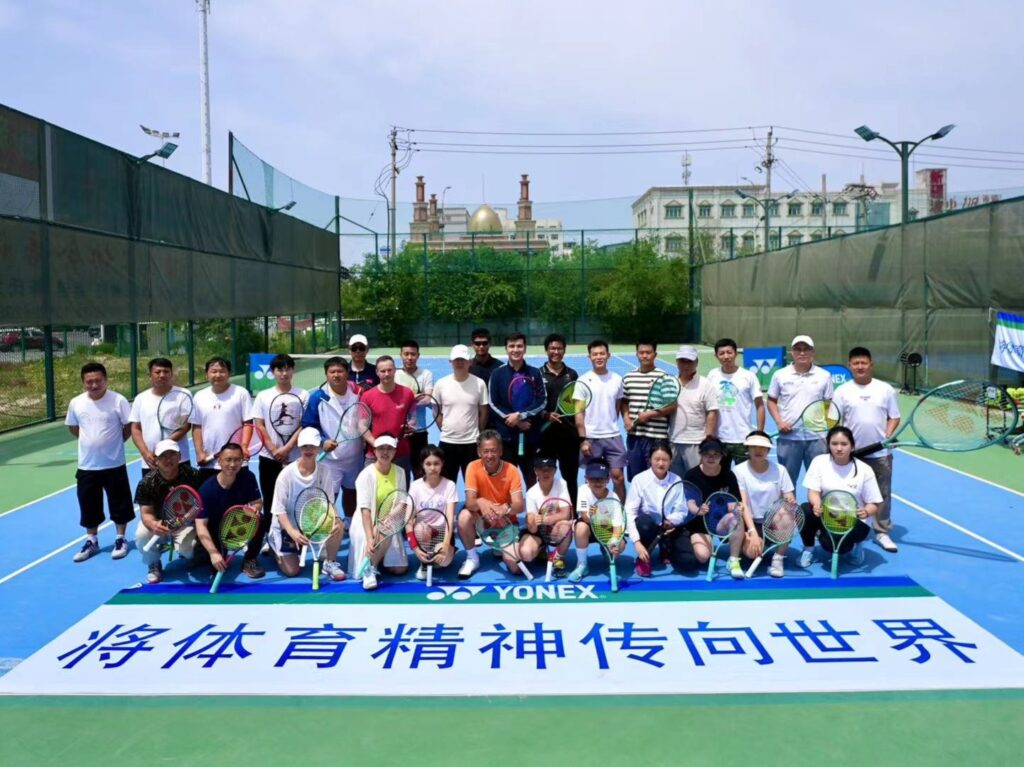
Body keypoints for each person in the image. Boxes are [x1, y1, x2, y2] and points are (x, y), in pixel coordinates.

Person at [831, 346, 901, 553]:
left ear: (871, 365)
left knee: (882, 493)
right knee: (848, 492)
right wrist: (839, 446)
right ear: (849, 366)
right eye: (856, 363)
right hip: (851, 454)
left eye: (864, 363)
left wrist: (888, 434)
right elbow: (834, 421)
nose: (860, 367)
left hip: (880, 454)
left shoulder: (885, 389)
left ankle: (881, 531)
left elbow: (894, 416)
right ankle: (847, 528)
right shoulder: (842, 391)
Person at [66, 361, 134, 562]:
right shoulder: (76, 403)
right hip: (87, 465)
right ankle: (92, 540)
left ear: (106, 380)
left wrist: (114, 442)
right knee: (89, 505)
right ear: (83, 382)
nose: (94, 385)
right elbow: (73, 427)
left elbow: (128, 426)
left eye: (98, 381)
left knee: (119, 503)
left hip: (114, 464)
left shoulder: (118, 400)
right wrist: (91, 442)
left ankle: (120, 539)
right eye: (89, 382)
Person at [798, 425, 882, 569]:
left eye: (844, 444)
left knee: (833, 546)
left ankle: (855, 546)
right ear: (829, 445)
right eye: (834, 444)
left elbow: (874, 503)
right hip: (827, 515)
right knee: (805, 509)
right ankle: (809, 549)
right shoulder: (819, 462)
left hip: (854, 521)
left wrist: (866, 511)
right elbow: (813, 492)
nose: (839, 448)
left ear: (852, 446)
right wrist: (817, 504)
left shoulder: (864, 470)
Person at [267, 427, 346, 581]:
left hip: (312, 523)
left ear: (319, 448)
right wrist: (292, 531)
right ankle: (274, 546)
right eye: (305, 446)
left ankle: (330, 562)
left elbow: (329, 503)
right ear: (299, 447)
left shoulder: (325, 471)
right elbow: (279, 510)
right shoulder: (286, 475)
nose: (308, 450)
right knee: (292, 571)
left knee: (339, 525)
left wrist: (336, 519)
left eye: (312, 446)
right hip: (287, 527)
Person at [251, 353, 307, 553]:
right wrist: (274, 450)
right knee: (270, 498)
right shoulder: (263, 396)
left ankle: (295, 535)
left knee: (295, 498)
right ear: (273, 372)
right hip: (269, 457)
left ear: (293, 370)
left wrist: (287, 448)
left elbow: (303, 424)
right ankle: (269, 536)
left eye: (287, 368)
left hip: (295, 458)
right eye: (279, 369)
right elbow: (259, 425)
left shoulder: (303, 395)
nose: (284, 373)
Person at [456, 430, 528, 579]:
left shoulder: (512, 470)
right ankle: (472, 558)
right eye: (486, 451)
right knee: (463, 517)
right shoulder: (472, 467)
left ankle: (501, 544)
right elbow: (470, 502)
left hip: (506, 522)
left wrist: (505, 508)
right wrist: (481, 501)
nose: (490, 455)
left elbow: (519, 506)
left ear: (501, 451)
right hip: (482, 521)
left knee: (515, 568)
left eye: (494, 451)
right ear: (479, 452)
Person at [302, 356, 363, 524]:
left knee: (352, 491)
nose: (336, 375)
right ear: (326, 374)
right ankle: (324, 525)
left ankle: (349, 522)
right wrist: (322, 441)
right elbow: (308, 425)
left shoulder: (359, 392)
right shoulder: (317, 397)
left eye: (340, 371)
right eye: (332, 372)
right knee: (328, 495)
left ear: (347, 373)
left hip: (355, 456)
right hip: (330, 459)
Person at [767, 335, 834, 488]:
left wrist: (827, 431)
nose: (802, 353)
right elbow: (771, 400)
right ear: (792, 352)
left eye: (806, 349)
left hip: (817, 438)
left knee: (819, 483)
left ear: (813, 352)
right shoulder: (780, 375)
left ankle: (816, 505)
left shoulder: (824, 376)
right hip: (788, 437)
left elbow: (828, 405)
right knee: (787, 484)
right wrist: (779, 422)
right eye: (798, 349)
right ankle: (790, 506)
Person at [134, 440, 205, 584]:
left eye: (172, 454)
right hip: (159, 523)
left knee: (189, 550)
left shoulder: (193, 475)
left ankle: (190, 554)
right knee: (141, 535)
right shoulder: (146, 483)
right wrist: (153, 524)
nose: (168, 460)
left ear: (180, 456)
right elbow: (146, 513)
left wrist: (185, 519)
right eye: (163, 456)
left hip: (185, 524)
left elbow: (201, 504)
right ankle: (153, 563)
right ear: (156, 460)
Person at [194, 442, 265, 580]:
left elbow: (257, 503)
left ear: (242, 461)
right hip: (214, 529)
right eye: (228, 460)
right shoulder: (207, 489)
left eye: (237, 460)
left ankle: (250, 559)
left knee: (260, 519)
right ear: (219, 461)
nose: (232, 464)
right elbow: (201, 525)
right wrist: (213, 553)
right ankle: (204, 551)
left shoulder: (248, 477)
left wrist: (254, 509)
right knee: (214, 565)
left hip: (236, 525)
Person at [733, 431, 796, 578]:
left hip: (773, 520)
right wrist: (752, 532)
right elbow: (744, 504)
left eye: (762, 447)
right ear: (748, 449)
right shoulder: (739, 471)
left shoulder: (780, 470)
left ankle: (777, 559)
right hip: (751, 522)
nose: (758, 450)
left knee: (787, 514)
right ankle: (749, 542)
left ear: (768, 450)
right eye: (754, 446)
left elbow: (789, 496)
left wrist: (790, 501)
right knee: (752, 553)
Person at [350, 434, 410, 589]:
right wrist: (370, 537)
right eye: (381, 448)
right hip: (365, 523)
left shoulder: (400, 472)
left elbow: (402, 502)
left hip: (389, 521)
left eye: (389, 448)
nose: (385, 452)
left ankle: (378, 558)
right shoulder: (365, 475)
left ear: (395, 451)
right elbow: (365, 510)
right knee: (382, 529)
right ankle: (369, 569)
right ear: (374, 451)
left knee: (399, 569)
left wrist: (389, 517)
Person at [487, 332, 546, 487]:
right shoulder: (497, 373)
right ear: (506, 349)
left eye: (519, 346)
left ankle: (532, 505)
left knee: (532, 482)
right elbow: (493, 403)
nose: (515, 349)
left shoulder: (535, 372)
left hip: (530, 437)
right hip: (506, 438)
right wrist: (514, 420)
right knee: (505, 483)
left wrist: (520, 416)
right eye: (511, 346)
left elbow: (541, 401)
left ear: (525, 348)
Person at [682, 437, 743, 576]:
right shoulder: (692, 475)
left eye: (716, 454)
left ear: (722, 456)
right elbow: (690, 503)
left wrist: (736, 509)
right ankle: (702, 543)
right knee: (703, 556)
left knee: (737, 518)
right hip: (699, 524)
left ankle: (733, 560)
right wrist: (698, 510)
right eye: (707, 454)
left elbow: (734, 502)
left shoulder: (728, 475)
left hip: (721, 523)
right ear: (701, 454)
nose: (711, 458)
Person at [576, 339, 627, 501]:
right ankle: (593, 512)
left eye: (602, 354)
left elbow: (617, 407)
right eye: (595, 354)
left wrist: (609, 424)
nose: (599, 357)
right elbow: (579, 413)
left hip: (613, 436)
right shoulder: (582, 381)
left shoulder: (617, 379)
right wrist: (583, 440)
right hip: (591, 438)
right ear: (589, 357)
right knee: (593, 480)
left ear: (608, 355)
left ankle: (619, 511)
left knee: (618, 477)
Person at [623, 440, 682, 578]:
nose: (661, 463)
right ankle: (644, 554)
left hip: (669, 528)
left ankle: (665, 546)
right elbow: (629, 512)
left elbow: (681, 510)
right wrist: (636, 542)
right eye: (657, 459)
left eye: (665, 460)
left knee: (687, 562)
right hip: (648, 526)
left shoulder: (677, 480)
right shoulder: (639, 480)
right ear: (650, 460)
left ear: (670, 461)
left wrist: (672, 521)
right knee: (644, 522)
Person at [191, 357, 254, 485]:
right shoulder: (199, 396)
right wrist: (199, 452)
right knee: (208, 497)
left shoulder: (241, 393)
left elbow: (248, 423)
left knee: (238, 497)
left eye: (222, 371)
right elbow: (197, 426)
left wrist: (244, 446)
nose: (218, 375)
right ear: (206, 374)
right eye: (213, 371)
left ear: (229, 373)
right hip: (209, 462)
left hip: (235, 462)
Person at [433, 344, 490, 483]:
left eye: (462, 360)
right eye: (456, 360)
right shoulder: (441, 384)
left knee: (474, 484)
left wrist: (477, 432)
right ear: (450, 362)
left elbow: (484, 412)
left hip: (471, 443)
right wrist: (445, 429)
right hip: (447, 442)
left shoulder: (479, 384)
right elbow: (436, 411)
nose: (459, 363)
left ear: (469, 362)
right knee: (446, 484)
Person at [706, 338, 765, 470]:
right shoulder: (712, 375)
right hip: (719, 439)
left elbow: (760, 406)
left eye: (729, 352)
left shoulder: (748, 376)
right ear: (716, 356)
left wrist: (759, 433)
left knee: (746, 476)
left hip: (743, 439)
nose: (726, 356)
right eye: (721, 353)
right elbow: (708, 406)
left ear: (736, 353)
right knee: (718, 476)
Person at [130, 357, 195, 475]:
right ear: (150, 375)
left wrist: (161, 448)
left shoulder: (183, 394)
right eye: (157, 372)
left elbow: (185, 426)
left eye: (166, 371)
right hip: (151, 461)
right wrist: (145, 453)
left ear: (171, 374)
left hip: (179, 460)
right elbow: (135, 428)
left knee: (183, 488)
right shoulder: (140, 398)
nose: (162, 375)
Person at [622, 339, 676, 481]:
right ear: (636, 354)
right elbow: (624, 401)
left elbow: (672, 405)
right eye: (641, 352)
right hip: (634, 436)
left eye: (648, 352)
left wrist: (650, 414)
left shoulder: (664, 377)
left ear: (655, 354)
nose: (645, 356)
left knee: (657, 477)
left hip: (657, 437)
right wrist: (626, 418)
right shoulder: (628, 377)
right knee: (636, 479)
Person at [538, 333, 581, 504]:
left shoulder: (572, 374)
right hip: (545, 437)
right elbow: (533, 404)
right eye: (552, 348)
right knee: (545, 478)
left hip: (569, 437)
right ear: (546, 350)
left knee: (570, 478)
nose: (556, 352)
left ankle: (573, 514)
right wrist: (545, 415)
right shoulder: (538, 374)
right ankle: (545, 512)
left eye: (559, 348)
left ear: (564, 350)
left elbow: (577, 405)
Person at [360, 355, 416, 482]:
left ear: (395, 370)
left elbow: (412, 417)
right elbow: (362, 425)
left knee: (401, 490)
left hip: (401, 452)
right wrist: (376, 444)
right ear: (377, 372)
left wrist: (411, 425)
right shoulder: (367, 396)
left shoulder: (407, 393)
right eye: (383, 371)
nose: (386, 374)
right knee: (370, 489)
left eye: (389, 370)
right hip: (374, 453)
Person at [406, 444, 458, 581]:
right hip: (423, 533)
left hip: (443, 533)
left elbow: (449, 519)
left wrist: (445, 545)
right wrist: (415, 548)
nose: (432, 468)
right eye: (428, 464)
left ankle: (444, 552)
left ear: (442, 464)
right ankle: (424, 562)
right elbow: (408, 521)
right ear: (422, 465)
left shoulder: (450, 485)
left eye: (436, 463)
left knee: (443, 563)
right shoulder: (415, 486)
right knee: (420, 528)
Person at [668, 345, 719, 477]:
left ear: (696, 362)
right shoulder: (670, 383)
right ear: (677, 362)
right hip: (673, 441)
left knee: (697, 480)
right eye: (682, 361)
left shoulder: (705, 384)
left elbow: (712, 412)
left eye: (689, 361)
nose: (686, 365)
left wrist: (708, 439)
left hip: (696, 442)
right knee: (676, 481)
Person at [568, 460, 622, 583]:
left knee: (620, 547)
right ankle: (582, 564)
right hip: (590, 528)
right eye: (593, 479)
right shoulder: (583, 490)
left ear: (608, 479)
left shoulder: (614, 498)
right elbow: (585, 517)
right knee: (580, 528)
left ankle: (606, 549)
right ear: (586, 479)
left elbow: (618, 525)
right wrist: (598, 517)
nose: (597, 482)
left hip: (607, 530)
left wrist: (613, 543)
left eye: (601, 479)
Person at [520, 454, 574, 575]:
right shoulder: (531, 493)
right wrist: (532, 522)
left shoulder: (561, 484)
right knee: (526, 554)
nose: (545, 473)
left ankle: (558, 558)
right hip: (539, 532)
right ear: (535, 471)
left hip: (556, 528)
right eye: (541, 469)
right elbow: (533, 529)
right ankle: (541, 550)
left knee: (566, 526)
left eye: (549, 469)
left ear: (555, 470)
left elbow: (566, 514)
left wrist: (547, 519)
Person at [397, 339, 435, 478]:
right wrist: (415, 397)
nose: (409, 357)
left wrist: (403, 400)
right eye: (406, 354)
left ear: (418, 355)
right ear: (401, 355)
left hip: (419, 431)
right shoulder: (394, 374)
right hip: (399, 431)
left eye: (413, 354)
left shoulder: (426, 374)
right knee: (401, 473)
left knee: (420, 473)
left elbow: (427, 399)